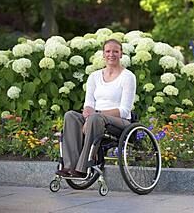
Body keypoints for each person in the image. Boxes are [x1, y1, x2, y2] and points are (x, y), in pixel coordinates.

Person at [56, 39, 136, 178]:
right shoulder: (94, 76)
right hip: (94, 118)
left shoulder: (128, 77)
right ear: (103, 54)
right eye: (108, 51)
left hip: (120, 122)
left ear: (121, 54)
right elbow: (89, 104)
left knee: (95, 117)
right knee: (71, 116)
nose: (112, 54)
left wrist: (96, 115)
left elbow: (124, 111)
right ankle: (69, 166)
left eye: (115, 51)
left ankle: (82, 168)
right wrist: (89, 116)